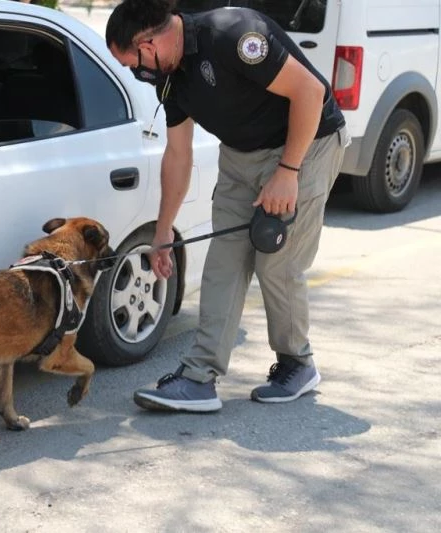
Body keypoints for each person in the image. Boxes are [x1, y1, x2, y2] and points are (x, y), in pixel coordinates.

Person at [105, 0, 348, 412]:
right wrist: (164, 231)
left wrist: (288, 172)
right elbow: (177, 155)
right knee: (224, 264)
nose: (137, 73)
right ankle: (199, 378)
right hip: (241, 157)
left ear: (149, 38)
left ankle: (297, 363)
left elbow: (310, 91)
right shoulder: (168, 77)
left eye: (136, 62)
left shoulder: (233, 34)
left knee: (276, 262)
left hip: (305, 144)